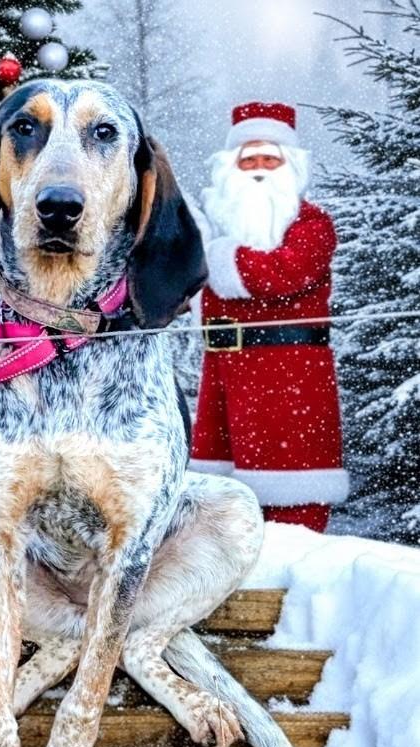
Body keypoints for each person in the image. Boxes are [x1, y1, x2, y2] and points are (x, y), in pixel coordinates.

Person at [190, 102, 349, 532]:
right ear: (231, 169)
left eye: (270, 159)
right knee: (219, 509)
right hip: (222, 374)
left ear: (290, 166)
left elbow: (284, 274)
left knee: (290, 501)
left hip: (288, 377)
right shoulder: (218, 231)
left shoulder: (313, 225)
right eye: (249, 160)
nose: (259, 169)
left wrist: (225, 260)